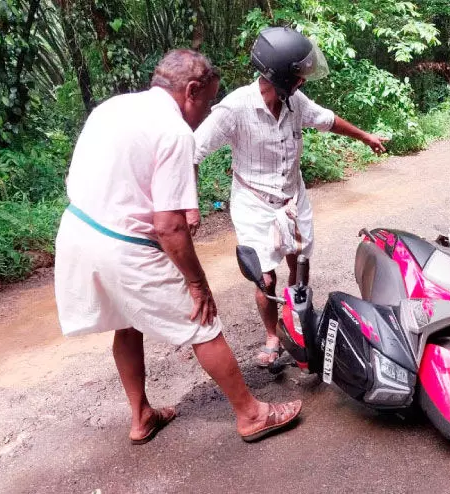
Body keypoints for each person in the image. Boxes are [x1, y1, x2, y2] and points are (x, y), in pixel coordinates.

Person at [54, 49, 301, 445]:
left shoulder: (114, 108)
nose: (207, 112)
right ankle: (252, 414)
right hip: (125, 246)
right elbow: (169, 229)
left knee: (126, 321)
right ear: (191, 90)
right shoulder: (174, 131)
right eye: (207, 101)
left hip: (78, 234)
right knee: (202, 321)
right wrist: (198, 285)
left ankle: (141, 416)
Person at [191, 27, 388, 367]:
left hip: (293, 198)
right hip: (254, 203)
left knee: (300, 264)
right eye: (298, 76)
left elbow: (327, 120)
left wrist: (364, 136)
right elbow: (192, 153)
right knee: (265, 277)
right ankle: (272, 334)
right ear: (279, 75)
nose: (302, 82)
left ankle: (297, 321)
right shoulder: (234, 108)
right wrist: (189, 207)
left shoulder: (295, 102)